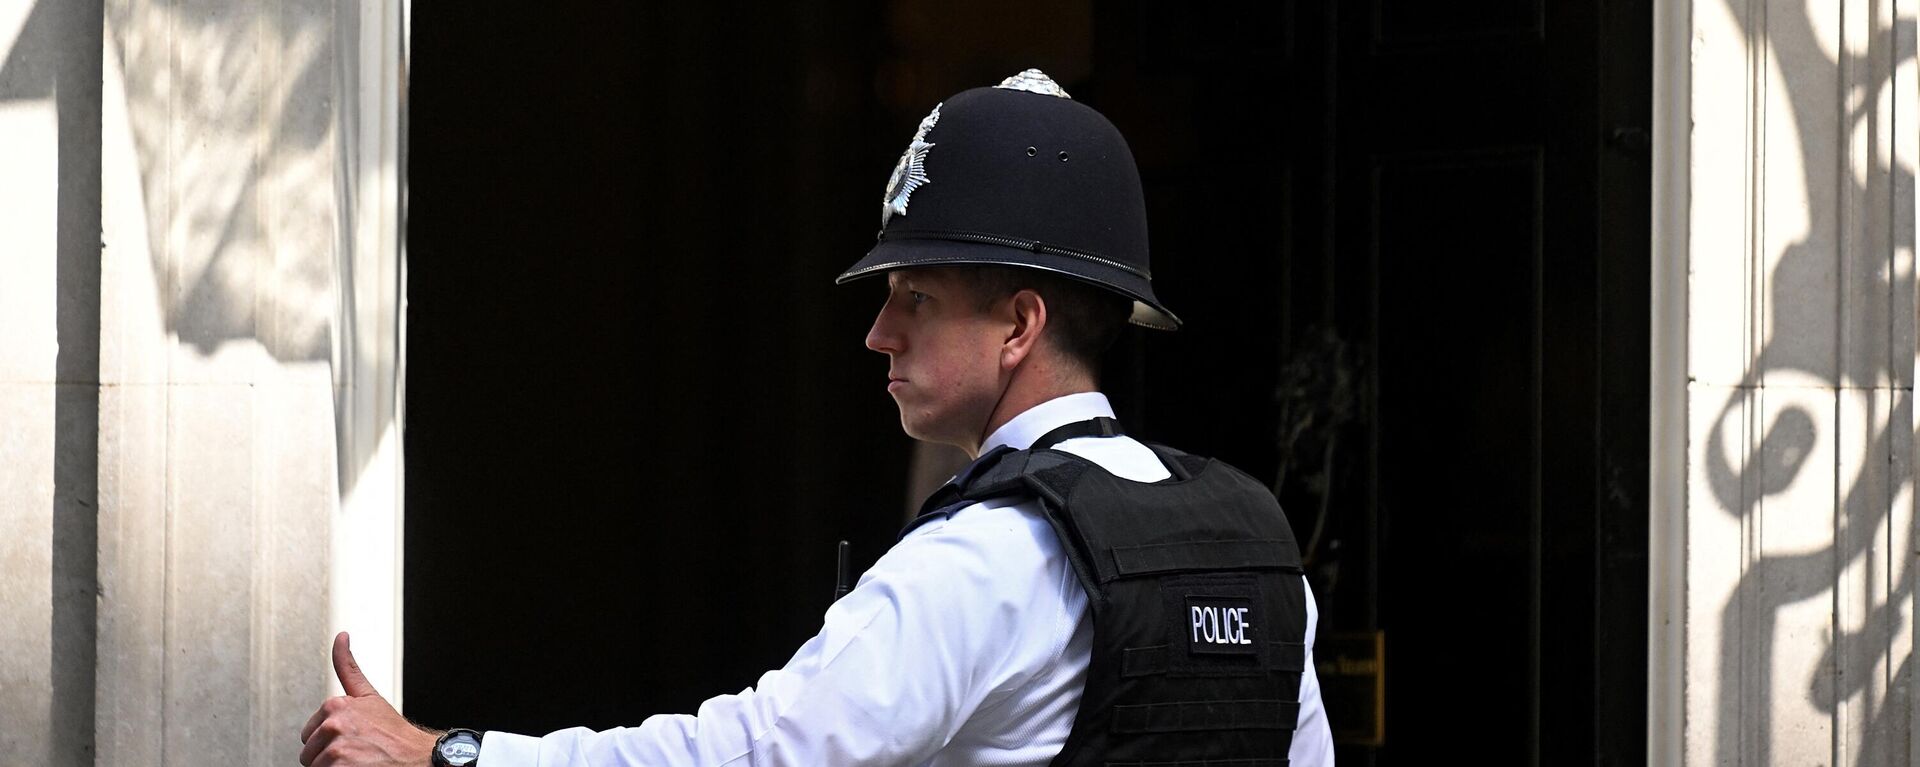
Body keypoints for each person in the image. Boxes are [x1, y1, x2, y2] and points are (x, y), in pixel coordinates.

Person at [299, 68, 1333, 767]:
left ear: (1020, 323)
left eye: (915, 296)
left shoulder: (988, 559)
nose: (878, 333)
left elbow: (755, 750)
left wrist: (448, 750)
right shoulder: (1255, 541)